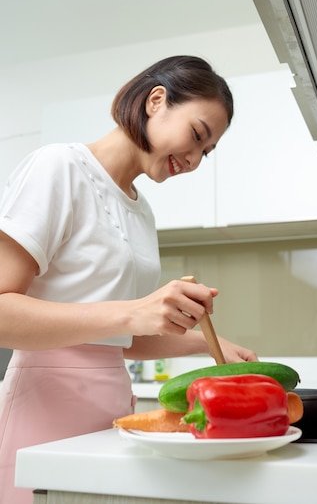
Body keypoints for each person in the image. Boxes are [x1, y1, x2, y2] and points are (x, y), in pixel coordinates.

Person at [0, 55, 258, 503]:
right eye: (197, 135)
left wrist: (206, 344)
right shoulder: (59, 167)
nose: (195, 160)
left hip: (109, 412)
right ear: (157, 101)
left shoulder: (141, 211)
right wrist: (137, 309)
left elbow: (117, 334)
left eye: (206, 152)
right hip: (45, 406)